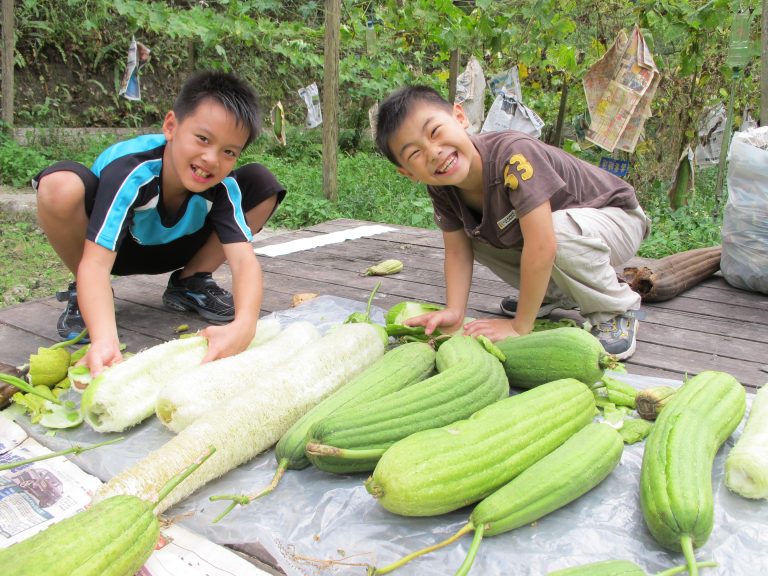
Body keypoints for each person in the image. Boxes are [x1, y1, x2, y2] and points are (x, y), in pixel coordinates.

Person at [33, 71, 286, 375]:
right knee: (60, 185)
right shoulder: (132, 170)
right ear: (171, 127)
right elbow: (97, 264)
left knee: (261, 183)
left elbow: (244, 263)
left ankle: (190, 281)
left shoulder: (222, 185)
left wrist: (245, 325)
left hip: (178, 246)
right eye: (203, 139)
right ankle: (88, 298)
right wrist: (104, 341)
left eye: (228, 152)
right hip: (112, 251)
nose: (211, 159)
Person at [374, 85, 651, 360]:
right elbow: (458, 252)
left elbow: (542, 246)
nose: (433, 152)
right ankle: (554, 293)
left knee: (553, 232)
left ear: (459, 116)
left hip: (617, 217)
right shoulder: (442, 188)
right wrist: (455, 311)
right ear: (407, 172)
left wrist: (520, 326)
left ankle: (616, 309)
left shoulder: (513, 155)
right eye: (415, 154)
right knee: (477, 233)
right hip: (565, 234)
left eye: (435, 132)